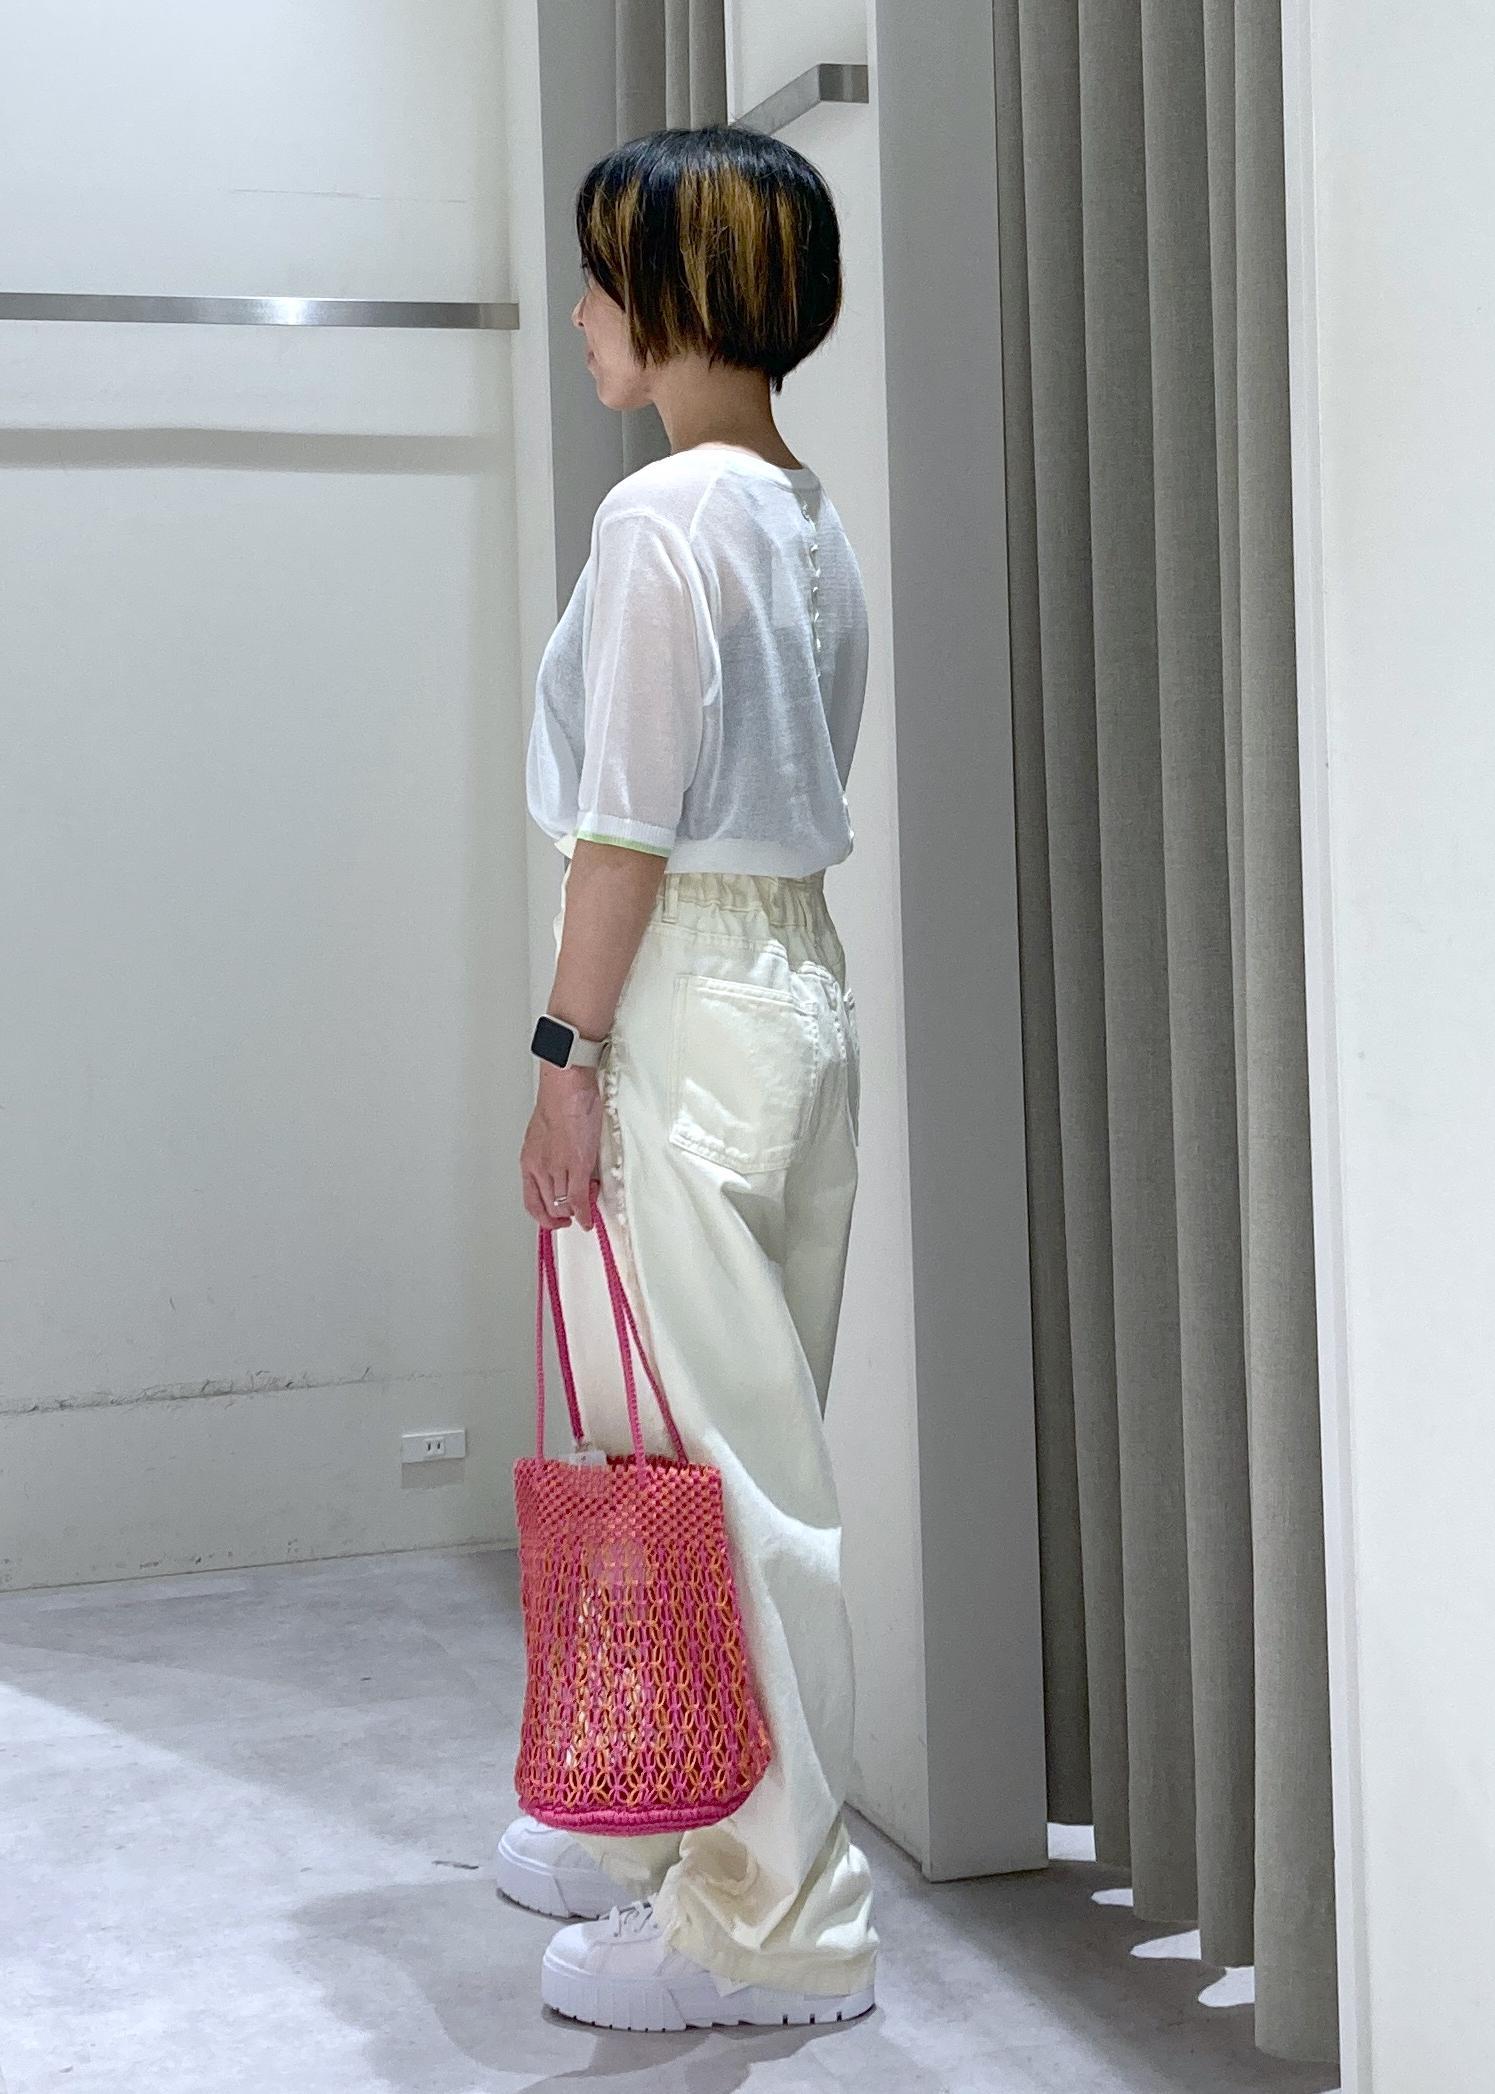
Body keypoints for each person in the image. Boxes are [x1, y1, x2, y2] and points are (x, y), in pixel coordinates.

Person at [497, 122, 877, 2033]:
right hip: (797, 988)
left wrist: (564, 1056)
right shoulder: (807, 516)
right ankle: (677, 1821)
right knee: (733, 1443)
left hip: (689, 993)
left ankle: (772, 1922)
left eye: (603, 276)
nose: (583, 311)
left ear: (680, 292)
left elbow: (625, 830)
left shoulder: (662, 517)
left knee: (712, 1468)